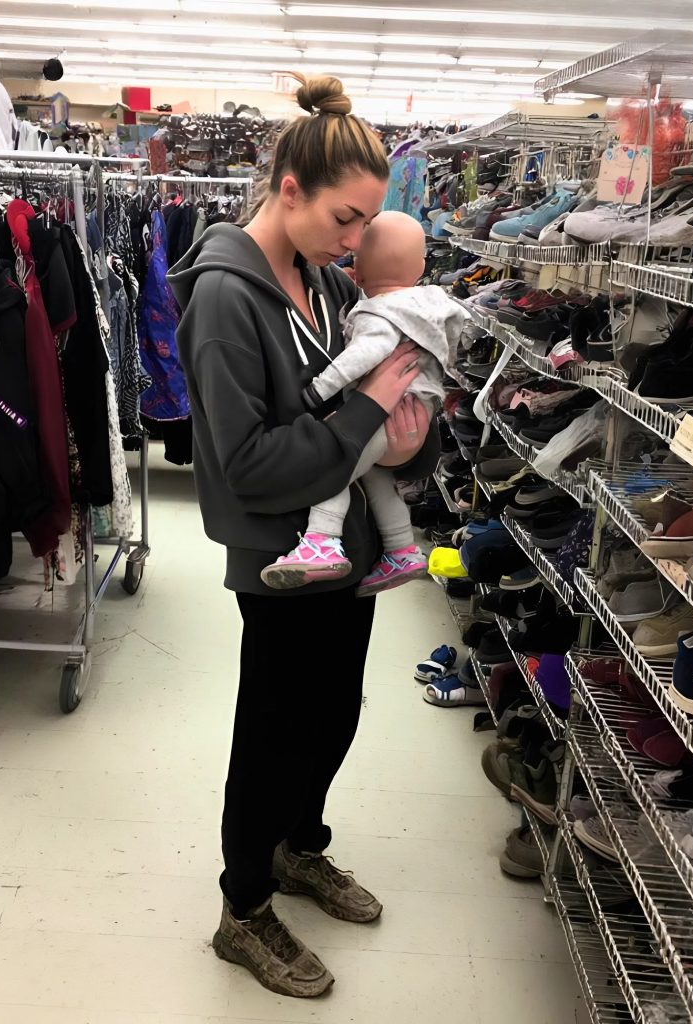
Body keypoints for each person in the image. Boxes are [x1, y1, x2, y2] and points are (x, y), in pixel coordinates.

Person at [168, 72, 439, 999]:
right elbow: (246, 462)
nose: (357, 240)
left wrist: (408, 433)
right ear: (290, 190)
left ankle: (298, 846)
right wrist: (370, 409)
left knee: (333, 715)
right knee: (273, 733)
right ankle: (242, 908)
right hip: (281, 559)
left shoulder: (325, 283)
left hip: (347, 548)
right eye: (345, 218)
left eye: (366, 222)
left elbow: (377, 416)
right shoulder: (224, 299)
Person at [261, 210, 470, 597]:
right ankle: (402, 548)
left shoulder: (380, 312)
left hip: (379, 415)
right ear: (420, 267)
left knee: (337, 468)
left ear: (357, 272)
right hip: (418, 410)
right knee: (377, 478)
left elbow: (365, 354)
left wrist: (320, 389)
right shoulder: (431, 307)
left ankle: (322, 540)